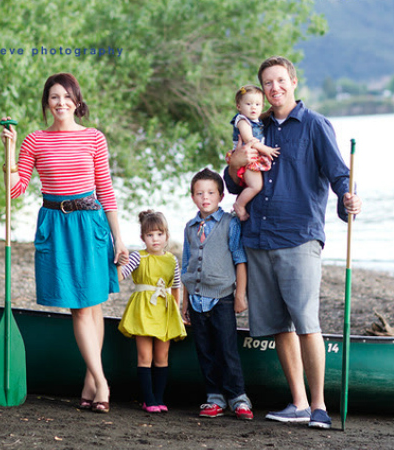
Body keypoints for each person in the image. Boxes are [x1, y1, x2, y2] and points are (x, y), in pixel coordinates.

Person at [224, 56, 362, 429]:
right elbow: (235, 182)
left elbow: (339, 175)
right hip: (258, 237)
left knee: (305, 321)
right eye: (267, 83)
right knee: (278, 326)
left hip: (299, 237)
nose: (274, 88)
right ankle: (298, 403)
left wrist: (348, 199)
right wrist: (235, 160)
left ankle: (318, 407)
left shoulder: (315, 125)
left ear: (294, 82)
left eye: (280, 81)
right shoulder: (255, 126)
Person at [0, 72, 129, 414]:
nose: (60, 103)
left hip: (91, 223)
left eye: (66, 97)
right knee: (81, 306)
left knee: (93, 303)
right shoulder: (34, 140)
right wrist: (9, 150)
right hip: (56, 224)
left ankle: (94, 380)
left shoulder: (94, 138)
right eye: (54, 97)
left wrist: (120, 238)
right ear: (46, 103)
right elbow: (15, 189)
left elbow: (106, 190)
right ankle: (99, 381)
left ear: (77, 101)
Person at [181, 168, 254, 421]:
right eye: (200, 193)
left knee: (227, 349)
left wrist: (240, 295)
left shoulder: (230, 223)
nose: (205, 198)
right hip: (196, 299)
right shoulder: (190, 227)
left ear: (221, 196)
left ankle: (238, 398)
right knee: (205, 350)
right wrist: (184, 302)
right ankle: (214, 398)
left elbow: (240, 260)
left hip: (222, 297)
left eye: (211, 193)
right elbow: (186, 266)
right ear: (192, 197)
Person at [117, 210, 187, 413]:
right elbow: (121, 275)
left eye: (159, 234)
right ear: (143, 238)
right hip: (143, 309)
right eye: (149, 235)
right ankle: (148, 400)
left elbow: (175, 286)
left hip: (164, 311)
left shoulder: (172, 260)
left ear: (166, 235)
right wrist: (119, 261)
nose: (155, 239)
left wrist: (177, 312)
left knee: (162, 357)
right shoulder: (138, 257)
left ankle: (159, 398)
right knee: (144, 356)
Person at [229, 85, 280, 222]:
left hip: (252, 158)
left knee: (257, 184)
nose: (253, 107)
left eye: (257, 104)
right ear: (239, 106)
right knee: (256, 185)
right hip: (247, 159)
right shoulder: (242, 121)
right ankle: (240, 205)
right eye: (248, 104)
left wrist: (268, 113)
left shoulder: (254, 120)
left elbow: (258, 121)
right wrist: (267, 150)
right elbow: (249, 140)